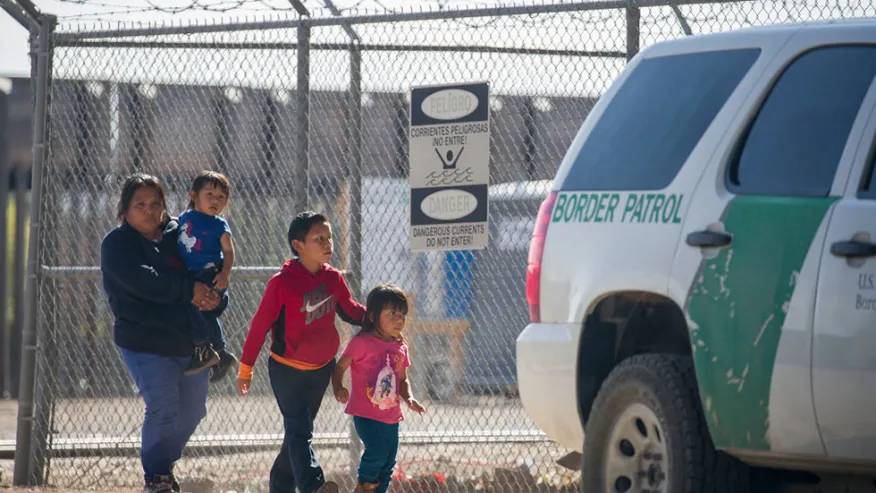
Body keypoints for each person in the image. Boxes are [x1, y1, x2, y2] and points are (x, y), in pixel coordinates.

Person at [100, 173, 223, 493]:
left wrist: (213, 296)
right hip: (145, 341)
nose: (149, 210)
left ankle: (163, 466)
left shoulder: (176, 234)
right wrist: (189, 291)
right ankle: (157, 477)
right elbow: (145, 281)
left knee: (194, 410)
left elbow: (205, 265)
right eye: (139, 204)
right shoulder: (117, 243)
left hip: (188, 340)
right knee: (163, 404)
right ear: (125, 211)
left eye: (156, 203)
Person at [236, 211, 366, 493]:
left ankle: (280, 487)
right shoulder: (281, 283)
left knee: (297, 436)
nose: (327, 243)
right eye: (319, 238)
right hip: (287, 371)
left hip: (321, 371)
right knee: (300, 431)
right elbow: (259, 329)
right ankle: (313, 486)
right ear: (298, 245)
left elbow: (351, 311)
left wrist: (377, 318)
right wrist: (246, 368)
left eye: (329, 237)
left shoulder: (333, 279)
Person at [331, 284, 427, 493]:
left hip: (391, 417)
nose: (399, 318)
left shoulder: (400, 347)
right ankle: (363, 486)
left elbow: (402, 380)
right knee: (376, 451)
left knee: (388, 462)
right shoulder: (361, 342)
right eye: (392, 313)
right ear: (373, 317)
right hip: (366, 415)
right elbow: (340, 367)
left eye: (402, 314)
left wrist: (409, 398)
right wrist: (338, 386)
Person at [177, 170, 238, 380]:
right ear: (193, 195)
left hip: (210, 274)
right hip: (191, 275)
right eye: (209, 194)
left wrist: (225, 274)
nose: (215, 200)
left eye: (221, 197)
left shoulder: (219, 224)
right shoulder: (182, 219)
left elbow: (229, 252)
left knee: (197, 306)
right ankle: (220, 353)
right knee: (204, 313)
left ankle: (203, 347)